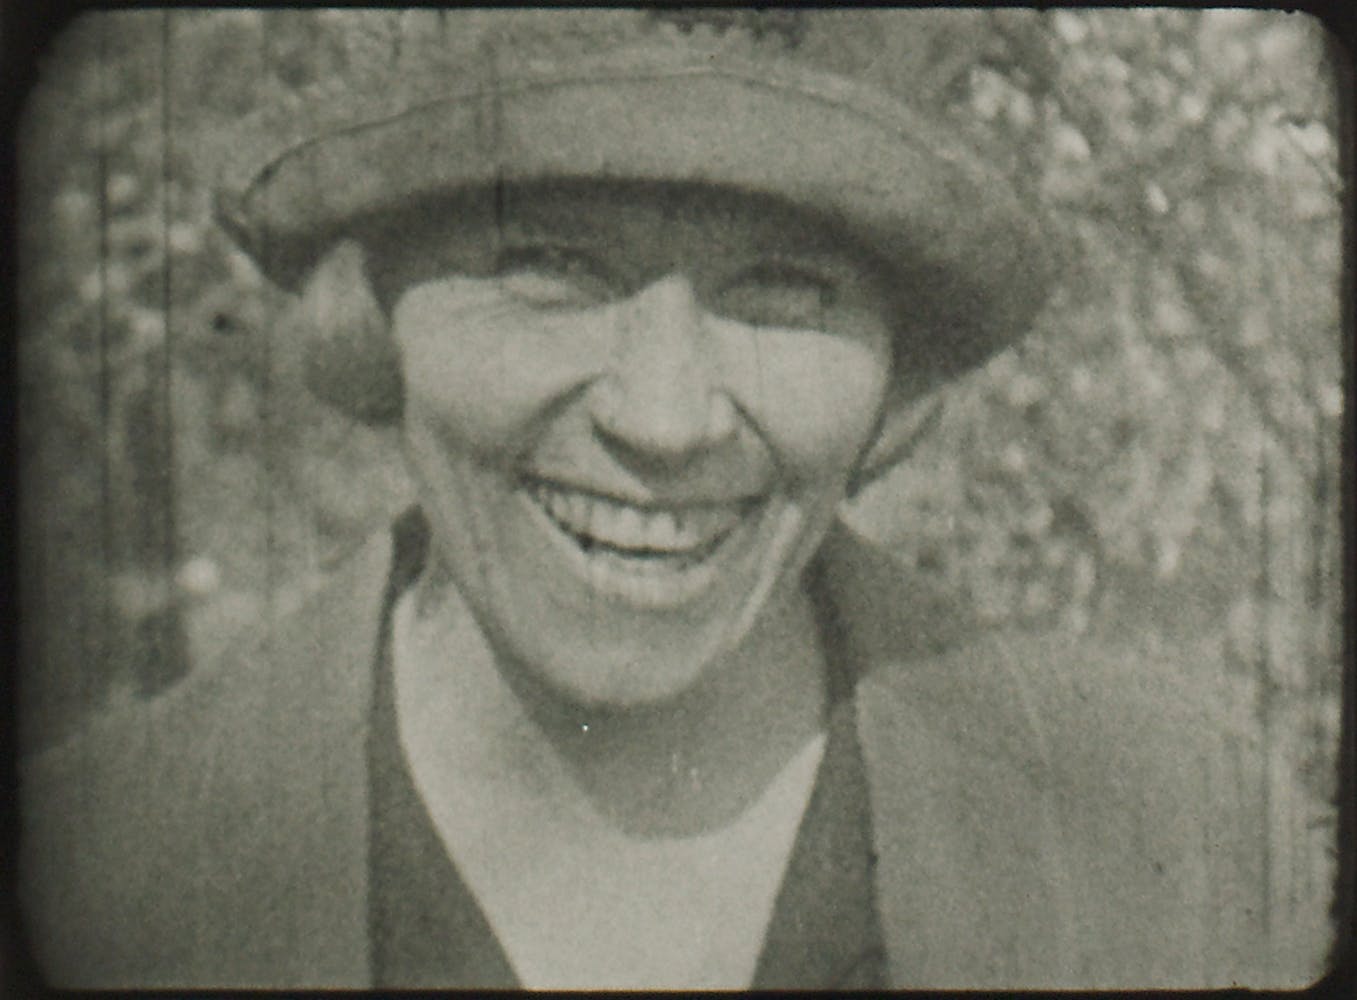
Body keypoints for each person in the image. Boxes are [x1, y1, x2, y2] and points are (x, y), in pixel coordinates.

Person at [20, 9, 1272, 989]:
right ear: (378, 315)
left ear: (894, 369)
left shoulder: (1180, 835)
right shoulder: (94, 876)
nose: (664, 420)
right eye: (546, 264)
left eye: (783, 287)